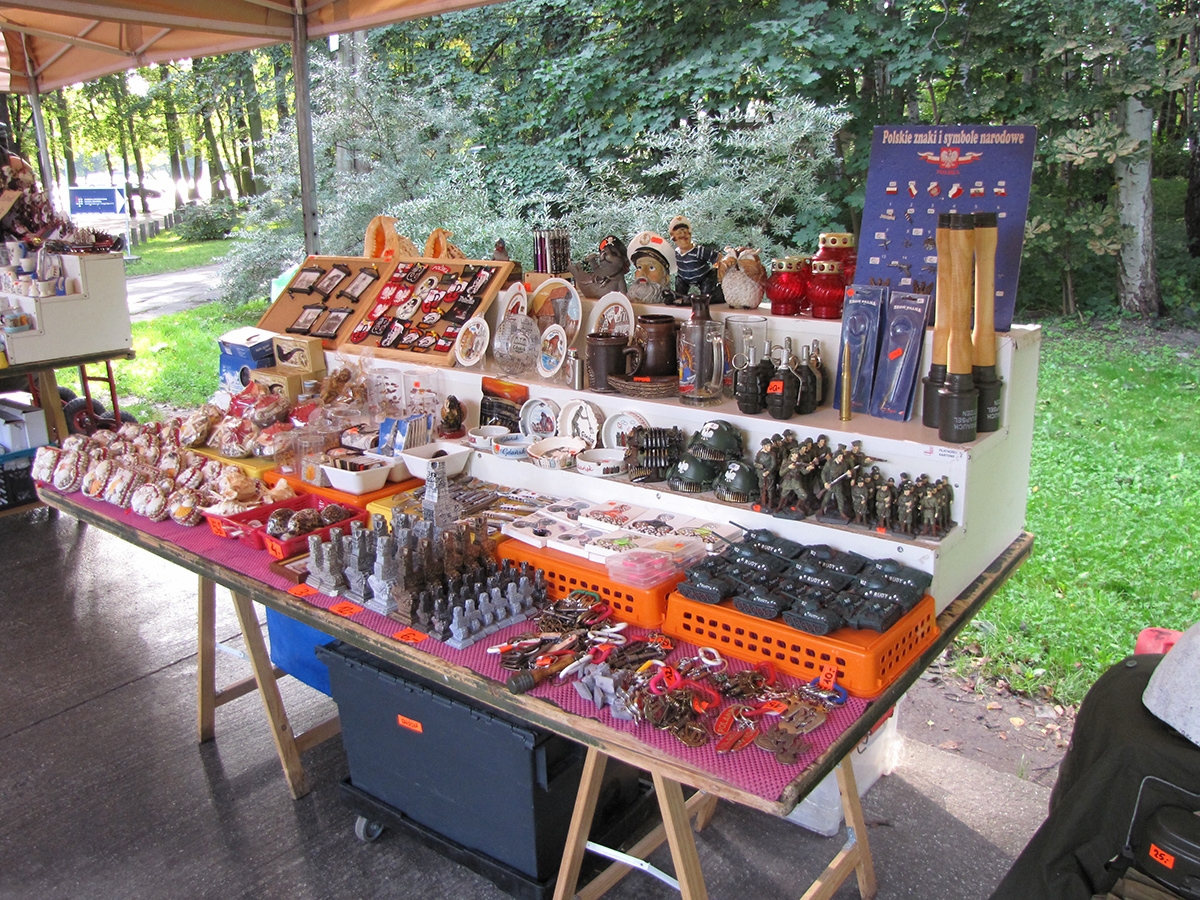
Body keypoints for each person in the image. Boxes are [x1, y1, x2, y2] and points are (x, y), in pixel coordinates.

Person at [668, 215, 723, 304]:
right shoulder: (676, 253)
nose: (683, 235)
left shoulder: (699, 251)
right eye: (680, 236)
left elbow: (718, 256)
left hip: (703, 277)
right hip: (684, 279)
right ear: (674, 238)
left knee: (707, 295)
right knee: (679, 283)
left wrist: (719, 267)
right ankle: (680, 298)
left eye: (686, 234)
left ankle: (715, 296)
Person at [625, 231, 677, 304]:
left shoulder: (673, 309)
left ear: (666, 279)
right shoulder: (625, 306)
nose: (643, 273)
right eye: (639, 267)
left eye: (651, 268)